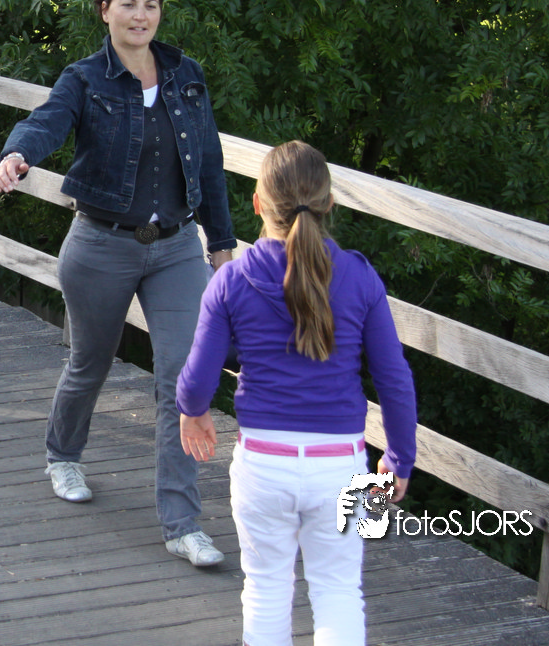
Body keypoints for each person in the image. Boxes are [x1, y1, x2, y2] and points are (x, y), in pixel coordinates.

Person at [0, 0, 236, 566]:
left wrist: (222, 244)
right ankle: (62, 456)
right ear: (105, 10)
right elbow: (47, 122)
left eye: (151, 5)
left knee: (183, 379)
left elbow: (208, 162)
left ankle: (182, 523)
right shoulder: (84, 79)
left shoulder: (186, 75)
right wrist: (18, 155)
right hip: (101, 245)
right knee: (90, 363)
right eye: (128, 4)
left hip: (176, 247)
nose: (140, 16)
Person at [177, 141, 417, 645]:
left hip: (264, 464)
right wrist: (399, 457)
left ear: (258, 204)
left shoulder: (232, 279)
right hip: (342, 465)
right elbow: (394, 379)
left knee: (266, 589)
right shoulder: (360, 276)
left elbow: (198, 377)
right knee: (339, 592)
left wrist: (192, 410)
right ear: (329, 203)